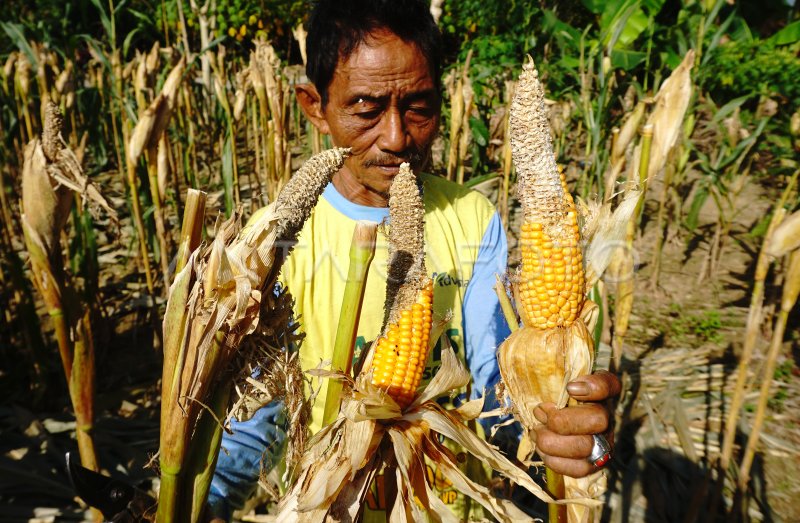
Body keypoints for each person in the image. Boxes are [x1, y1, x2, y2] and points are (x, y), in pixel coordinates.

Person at [208, 0, 620, 519]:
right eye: (365, 109)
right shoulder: (275, 237)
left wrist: (561, 429)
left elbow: (498, 384)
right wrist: (204, 500)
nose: (398, 138)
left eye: (419, 108)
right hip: (329, 503)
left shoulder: (472, 218)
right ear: (315, 106)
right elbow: (257, 412)